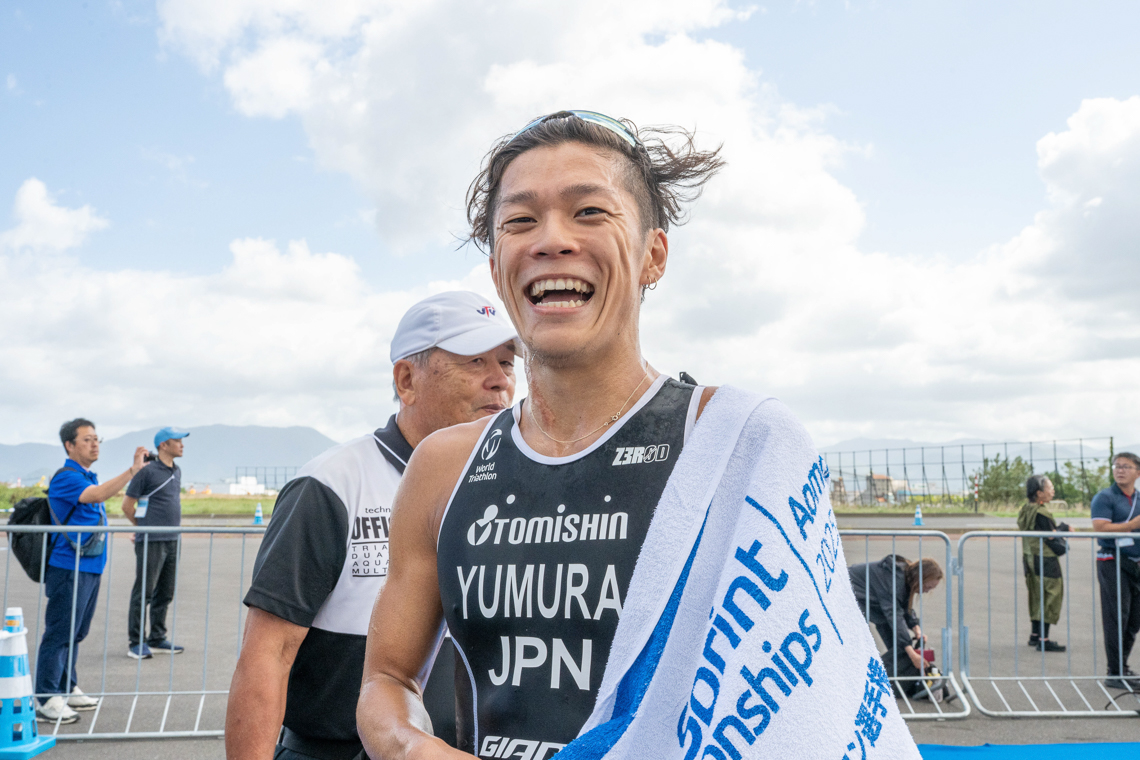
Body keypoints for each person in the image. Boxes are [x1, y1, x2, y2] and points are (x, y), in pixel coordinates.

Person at [357, 111, 921, 760]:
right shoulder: (445, 467)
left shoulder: (735, 447)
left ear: (653, 255)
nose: (551, 239)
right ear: (496, 269)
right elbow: (386, 679)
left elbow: (816, 706)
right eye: (521, 220)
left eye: (589, 212)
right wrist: (412, 747)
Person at [225, 291, 518, 760]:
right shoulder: (333, 484)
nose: (499, 380)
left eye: (506, 362)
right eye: (474, 361)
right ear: (407, 380)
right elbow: (268, 653)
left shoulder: (516, 487)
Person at [35, 418, 147, 724]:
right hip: (68, 567)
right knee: (60, 632)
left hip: (89, 565)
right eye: (87, 439)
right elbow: (96, 495)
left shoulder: (86, 475)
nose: (94, 444)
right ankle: (46, 697)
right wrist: (132, 471)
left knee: (76, 632)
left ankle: (66, 686)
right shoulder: (67, 478)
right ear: (69, 445)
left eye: (97, 438)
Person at [121, 426, 190, 659]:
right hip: (152, 540)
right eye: (177, 441)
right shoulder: (147, 472)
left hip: (173, 539)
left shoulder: (176, 470)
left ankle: (157, 637)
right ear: (163, 445)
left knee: (165, 592)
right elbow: (127, 506)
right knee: (144, 591)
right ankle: (136, 642)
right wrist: (142, 528)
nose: (182, 445)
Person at [849, 555, 944, 698]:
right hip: (844, 593)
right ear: (920, 579)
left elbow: (903, 607)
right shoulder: (894, 581)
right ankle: (859, 683)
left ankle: (880, 681)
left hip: (867, 600)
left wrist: (916, 628)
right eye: (928, 587)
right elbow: (894, 615)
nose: (927, 591)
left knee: (900, 649)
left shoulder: (906, 577)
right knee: (855, 643)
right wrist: (912, 654)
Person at [1091, 451, 1140, 690]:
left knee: (1134, 619)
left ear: (1138, 473)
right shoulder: (1105, 497)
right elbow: (1100, 528)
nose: (1120, 470)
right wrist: (1132, 525)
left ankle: (1122, 666)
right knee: (1116, 617)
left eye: (1126, 466)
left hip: (1135, 563)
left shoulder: (1138, 498)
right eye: (1117, 466)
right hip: (1112, 561)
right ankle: (1115, 671)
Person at [1017, 474, 1070, 652]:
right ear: (1039, 493)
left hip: (1029, 557)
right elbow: (1050, 535)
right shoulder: (1041, 512)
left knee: (1035, 594)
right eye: (1049, 487)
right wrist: (1064, 528)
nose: (1052, 491)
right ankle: (1044, 639)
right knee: (1050, 595)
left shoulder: (1026, 509)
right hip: (1045, 559)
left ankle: (1035, 634)